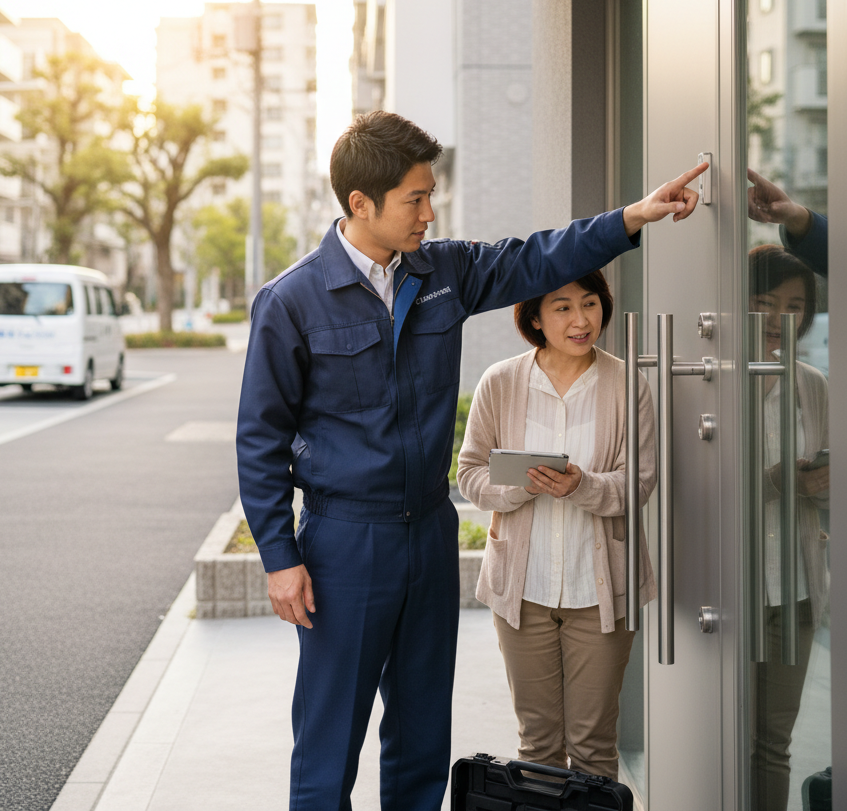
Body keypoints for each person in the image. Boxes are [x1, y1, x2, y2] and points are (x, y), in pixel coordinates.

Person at [236, 110, 707, 811]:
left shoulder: (443, 271)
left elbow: (537, 255)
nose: (431, 212)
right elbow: (259, 438)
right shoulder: (292, 301)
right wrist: (280, 556)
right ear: (360, 203)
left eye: (432, 195)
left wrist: (632, 218)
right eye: (415, 199)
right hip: (344, 542)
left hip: (427, 532)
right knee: (331, 735)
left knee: (424, 731)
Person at [454, 271, 655, 780]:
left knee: (593, 746)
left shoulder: (628, 382)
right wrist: (527, 483)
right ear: (536, 318)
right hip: (523, 592)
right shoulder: (500, 381)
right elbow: (471, 475)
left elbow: (643, 482)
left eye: (590, 304)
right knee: (538, 744)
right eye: (562, 307)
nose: (581, 319)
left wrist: (581, 486)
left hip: (599, 594)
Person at [748, 244, 829, 811]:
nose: (781, 318)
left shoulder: (812, 384)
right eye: (764, 302)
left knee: (773, 744)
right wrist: (779, 481)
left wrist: (822, 483)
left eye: (795, 305)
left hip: (795, 591)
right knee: (717, 737)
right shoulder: (711, 379)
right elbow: (702, 490)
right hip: (727, 596)